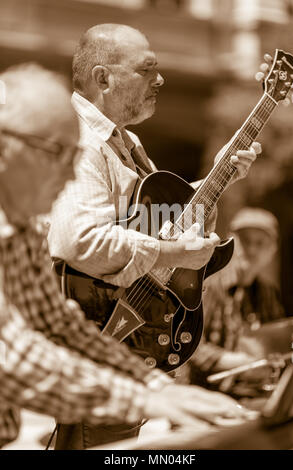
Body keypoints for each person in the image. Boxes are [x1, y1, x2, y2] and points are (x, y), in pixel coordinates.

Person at [0, 63, 254, 449]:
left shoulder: (23, 233)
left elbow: (60, 327)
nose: (71, 177)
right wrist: (144, 397)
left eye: (74, 159)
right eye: (56, 154)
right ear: (4, 146)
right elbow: (14, 355)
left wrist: (152, 384)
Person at [189, 207, 284, 396]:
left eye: (260, 243)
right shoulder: (207, 284)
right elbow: (189, 347)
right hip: (206, 394)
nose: (251, 249)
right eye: (245, 241)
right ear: (230, 241)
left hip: (254, 394)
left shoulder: (268, 292)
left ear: (272, 250)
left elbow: (277, 343)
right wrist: (241, 362)